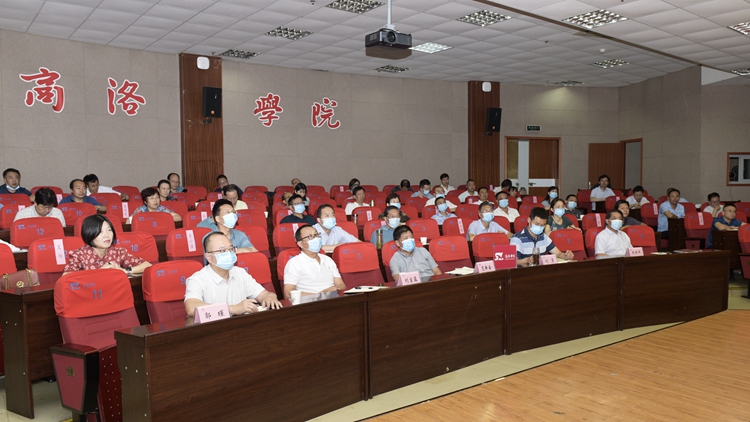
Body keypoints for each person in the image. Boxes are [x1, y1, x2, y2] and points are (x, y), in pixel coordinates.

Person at [184, 232, 281, 317]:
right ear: (209, 257)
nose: (228, 253)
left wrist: (270, 297)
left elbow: (264, 294)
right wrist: (233, 309)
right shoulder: (197, 279)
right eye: (222, 250)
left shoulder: (240, 273)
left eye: (231, 249)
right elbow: (191, 308)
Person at [63, 215, 151, 275]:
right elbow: (66, 276)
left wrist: (124, 271)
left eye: (109, 230)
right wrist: (100, 271)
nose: (107, 235)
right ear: (89, 234)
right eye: (100, 232)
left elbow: (147, 265)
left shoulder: (117, 252)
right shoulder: (80, 255)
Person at [283, 225, 346, 299]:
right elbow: (288, 293)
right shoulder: (294, 263)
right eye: (310, 236)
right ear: (300, 244)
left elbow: (342, 286)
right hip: (309, 303)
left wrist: (336, 288)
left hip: (332, 300)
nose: (316, 238)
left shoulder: (328, 260)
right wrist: (319, 296)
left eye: (316, 235)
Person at [510, 207, 575, 266]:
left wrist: (566, 256)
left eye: (542, 225)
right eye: (537, 224)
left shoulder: (543, 237)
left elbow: (558, 254)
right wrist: (526, 261)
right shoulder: (517, 239)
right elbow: (512, 261)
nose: (539, 227)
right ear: (529, 220)